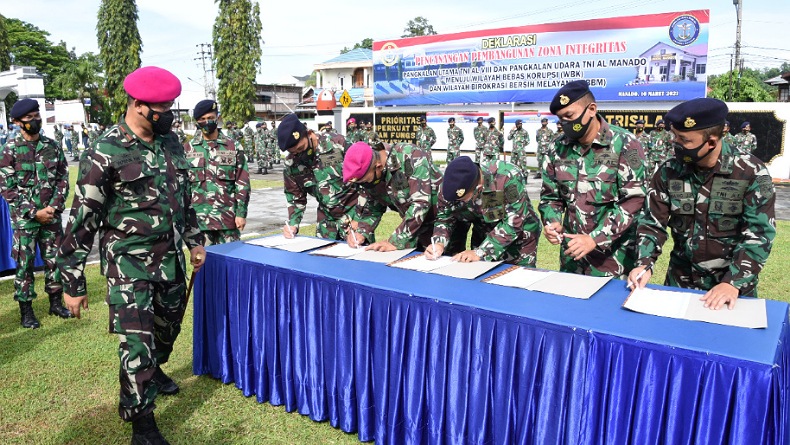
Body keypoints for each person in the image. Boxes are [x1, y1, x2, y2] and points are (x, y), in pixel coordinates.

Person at [57, 66, 206, 444]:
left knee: (166, 331)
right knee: (136, 345)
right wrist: (72, 280)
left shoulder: (170, 142)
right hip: (129, 264)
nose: (170, 113)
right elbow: (83, 217)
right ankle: (142, 423)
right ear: (139, 105)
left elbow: (181, 200)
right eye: (163, 107)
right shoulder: (106, 149)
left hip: (169, 258)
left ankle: (153, 370)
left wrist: (195, 240)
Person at [628, 98, 776, 310]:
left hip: (730, 289)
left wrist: (732, 282)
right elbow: (652, 222)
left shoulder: (750, 171)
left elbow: (759, 232)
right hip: (680, 283)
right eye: (674, 137)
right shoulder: (669, 171)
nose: (675, 144)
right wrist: (644, 263)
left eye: (684, 140)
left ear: (712, 142)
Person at [539, 80, 647, 279]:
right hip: (572, 258)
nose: (565, 124)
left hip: (613, 260)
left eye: (569, 116)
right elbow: (550, 197)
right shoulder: (557, 148)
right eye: (560, 119)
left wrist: (595, 238)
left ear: (591, 109)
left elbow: (633, 201)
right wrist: (552, 221)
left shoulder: (625, 144)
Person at [0, 98, 72, 328]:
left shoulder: (52, 146)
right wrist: (34, 213)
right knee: (25, 265)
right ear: (17, 122)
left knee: (54, 261)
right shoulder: (9, 150)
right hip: (26, 221)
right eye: (29, 118)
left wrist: (53, 207)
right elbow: (7, 188)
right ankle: (27, 311)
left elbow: (62, 178)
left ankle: (55, 302)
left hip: (50, 217)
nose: (35, 120)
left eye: (36, 115)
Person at [342, 140, 466, 253]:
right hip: (416, 228)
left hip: (445, 224)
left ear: (378, 166)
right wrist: (361, 232)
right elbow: (373, 209)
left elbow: (421, 203)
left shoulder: (410, 155)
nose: (364, 185)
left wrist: (395, 241)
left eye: (365, 181)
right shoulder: (371, 176)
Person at [425, 156, 541, 267]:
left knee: (515, 280)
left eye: (463, 199)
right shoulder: (449, 188)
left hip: (519, 238)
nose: (460, 203)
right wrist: (439, 243)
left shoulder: (507, 176)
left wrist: (480, 252)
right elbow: (445, 218)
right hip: (484, 233)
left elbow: (514, 222)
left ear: (479, 188)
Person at [279, 113, 357, 239]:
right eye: (294, 152)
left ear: (309, 134)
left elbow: (364, 181)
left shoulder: (338, 144)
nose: (299, 154)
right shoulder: (291, 164)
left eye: (301, 148)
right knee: (322, 256)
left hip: (353, 216)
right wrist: (293, 224)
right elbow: (295, 196)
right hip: (326, 222)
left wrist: (361, 219)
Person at [186, 99, 251, 245]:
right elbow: (183, 188)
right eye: (202, 119)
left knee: (230, 264)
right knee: (202, 265)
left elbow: (242, 182)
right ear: (196, 121)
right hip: (199, 222)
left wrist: (241, 214)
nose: (207, 122)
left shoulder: (233, 147)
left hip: (228, 220)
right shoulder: (187, 150)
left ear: (218, 118)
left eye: (210, 118)